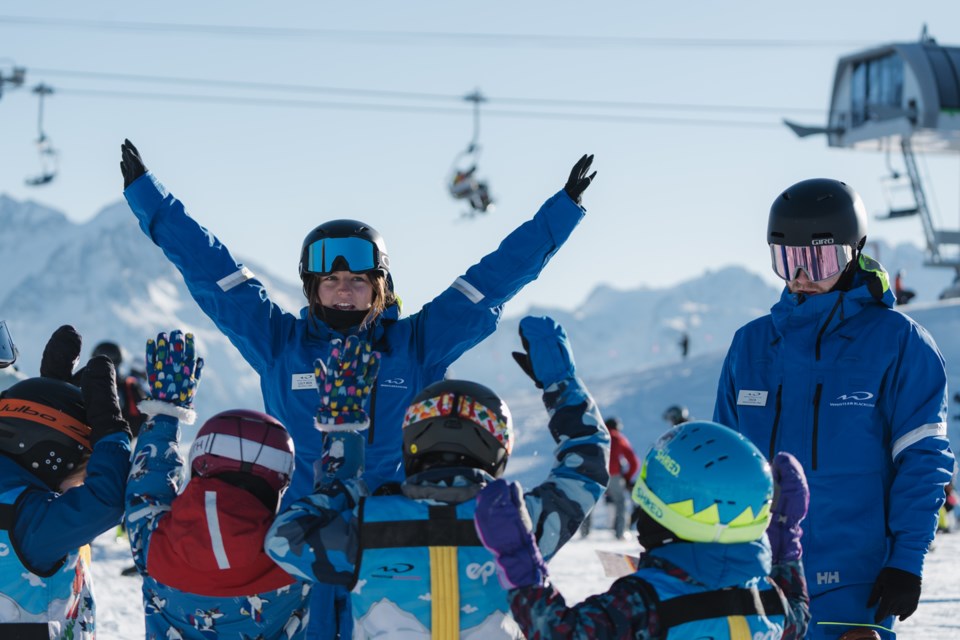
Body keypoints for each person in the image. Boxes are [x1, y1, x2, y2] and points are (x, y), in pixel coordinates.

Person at [120, 139, 596, 637]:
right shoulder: (280, 343)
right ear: (312, 287)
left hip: (395, 534)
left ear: (380, 287)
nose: (344, 290)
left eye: (358, 280)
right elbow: (210, 272)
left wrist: (560, 213)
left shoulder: (415, 345)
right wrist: (149, 198)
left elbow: (490, 283)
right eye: (331, 280)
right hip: (304, 539)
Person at [265, 315, 610, 638]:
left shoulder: (366, 525)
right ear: (497, 449)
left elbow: (284, 539)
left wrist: (346, 447)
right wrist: (561, 384)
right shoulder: (520, 522)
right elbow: (588, 463)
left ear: (412, 442)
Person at [714, 178, 955, 638]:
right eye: (787, 261)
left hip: (854, 584)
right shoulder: (751, 345)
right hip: (756, 581)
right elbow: (723, 465)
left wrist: (906, 561)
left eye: (818, 261)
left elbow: (923, 463)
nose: (802, 278)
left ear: (855, 250)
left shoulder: (899, 343)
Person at [473, 420, 811, 638]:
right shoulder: (769, 598)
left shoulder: (645, 601)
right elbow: (798, 612)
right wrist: (785, 537)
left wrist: (519, 559)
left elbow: (561, 632)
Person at [124, 330, 311, 639]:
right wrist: (343, 428)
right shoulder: (297, 555)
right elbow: (342, 503)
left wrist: (165, 412)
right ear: (279, 480)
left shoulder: (153, 546)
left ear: (201, 460)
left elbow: (147, 481)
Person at [0, 325, 132, 638]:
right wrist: (112, 434)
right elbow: (107, 500)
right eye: (83, 470)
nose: (82, 483)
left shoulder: (23, 509)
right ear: (51, 458)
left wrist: (49, 396)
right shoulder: (30, 519)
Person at [580, 416, 638, 540]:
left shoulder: (598, 436)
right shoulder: (618, 438)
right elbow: (634, 462)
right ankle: (620, 533)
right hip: (614, 475)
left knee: (589, 501)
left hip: (595, 473)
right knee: (620, 503)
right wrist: (627, 478)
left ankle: (584, 532)